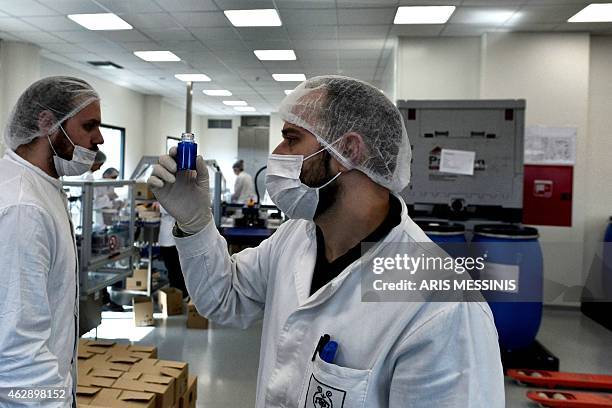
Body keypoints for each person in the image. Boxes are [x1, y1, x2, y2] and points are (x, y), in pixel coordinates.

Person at [148, 75, 504, 407]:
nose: (277, 155)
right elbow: (223, 298)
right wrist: (195, 222)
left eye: (291, 139)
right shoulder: (295, 237)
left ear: (348, 150)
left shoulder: (441, 306)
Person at [0, 76, 103, 407]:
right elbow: (17, 350)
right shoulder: (23, 206)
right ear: (47, 122)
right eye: (89, 126)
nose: (99, 138)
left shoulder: (41, 188)